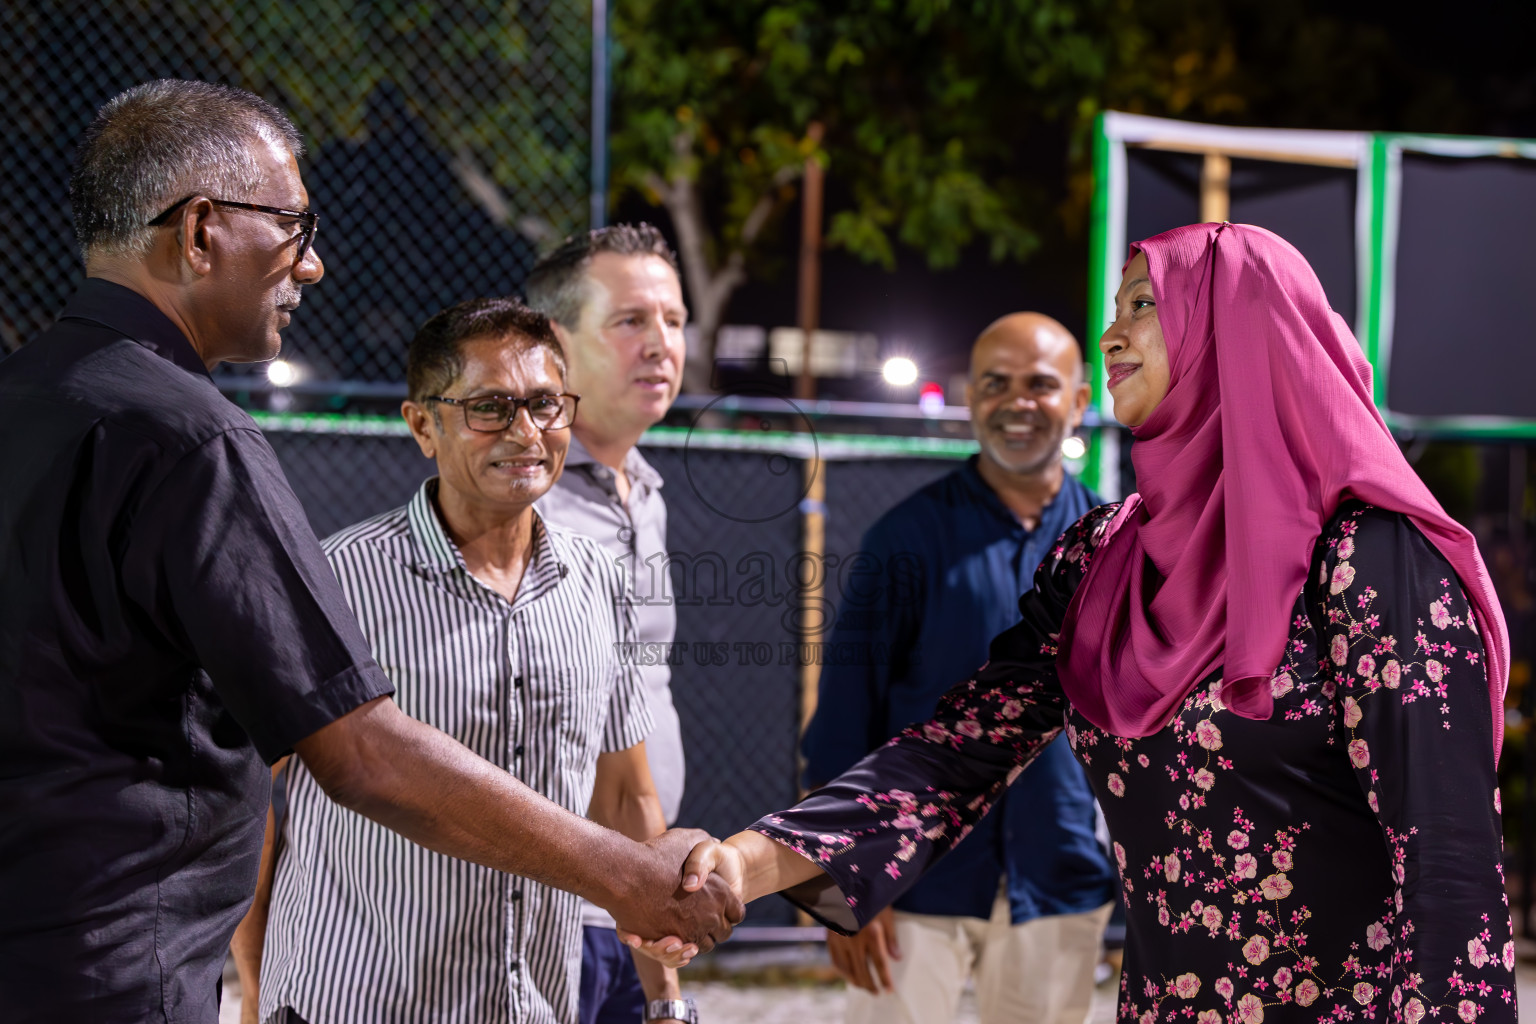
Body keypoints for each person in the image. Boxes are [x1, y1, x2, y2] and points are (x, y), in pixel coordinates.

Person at [644, 223, 1518, 1024]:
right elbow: (956, 752)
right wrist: (743, 865)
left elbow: (1446, 863)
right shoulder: (1103, 557)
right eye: (1115, 309)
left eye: (1145, 305)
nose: (1112, 336)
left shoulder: (1374, 560)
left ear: (1238, 328)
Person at [0, 80, 738, 1024]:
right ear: (199, 232)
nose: (312, 266)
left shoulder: (26, 397)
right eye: (295, 227)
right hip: (113, 971)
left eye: (544, 403)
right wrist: (628, 876)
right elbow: (361, 753)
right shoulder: (196, 443)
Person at [236, 298, 689, 1024]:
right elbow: (250, 797)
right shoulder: (339, 579)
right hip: (355, 1004)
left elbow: (625, 802)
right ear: (423, 425)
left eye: (545, 404)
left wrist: (667, 1005)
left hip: (532, 1005)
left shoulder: (598, 581)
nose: (527, 433)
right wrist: (257, 987)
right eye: (490, 407)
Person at [801, 313, 1115, 1024]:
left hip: (1058, 878)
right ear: (972, 396)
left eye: (1041, 384)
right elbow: (841, 724)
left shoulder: (1113, 547)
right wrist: (838, 894)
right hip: (910, 881)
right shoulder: (905, 538)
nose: (1018, 402)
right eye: (997, 383)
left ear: (1078, 398)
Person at [525, 225, 696, 1024]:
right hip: (540, 916)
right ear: (556, 343)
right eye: (631, 321)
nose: (661, 342)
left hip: (629, 907)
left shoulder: (645, 489)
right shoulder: (518, 504)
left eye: (674, 318)